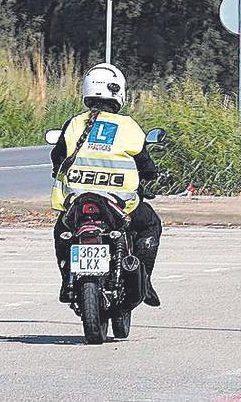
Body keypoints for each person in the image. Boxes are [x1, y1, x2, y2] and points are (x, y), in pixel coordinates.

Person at [49, 63, 162, 307]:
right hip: (118, 204)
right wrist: (150, 175)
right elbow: (146, 165)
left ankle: (66, 280)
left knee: (61, 231)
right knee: (151, 224)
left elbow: (57, 157)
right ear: (119, 92)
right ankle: (146, 279)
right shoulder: (129, 127)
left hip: (78, 202)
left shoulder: (74, 124)